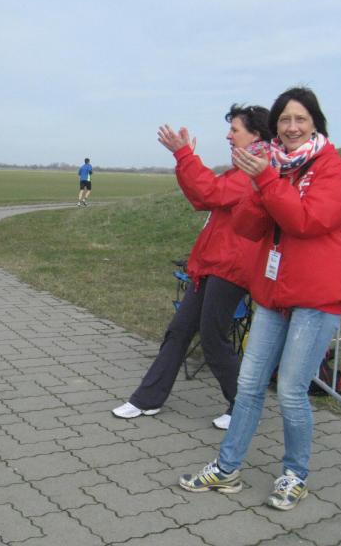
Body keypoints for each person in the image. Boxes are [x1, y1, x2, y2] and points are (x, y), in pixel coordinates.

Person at [179, 87, 341, 512]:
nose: (292, 127)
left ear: (315, 123)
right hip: (275, 294)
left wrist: (265, 180)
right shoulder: (273, 167)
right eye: (284, 120)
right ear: (275, 127)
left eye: (300, 119)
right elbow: (248, 227)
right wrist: (257, 185)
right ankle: (227, 469)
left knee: (292, 392)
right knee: (248, 385)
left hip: (316, 296)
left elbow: (304, 221)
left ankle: (295, 475)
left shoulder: (330, 168)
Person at [112, 105, 271, 429]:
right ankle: (147, 399)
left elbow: (210, 192)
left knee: (213, 339)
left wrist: (184, 155)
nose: (228, 136)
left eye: (235, 130)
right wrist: (184, 159)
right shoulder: (240, 169)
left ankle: (244, 407)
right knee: (180, 330)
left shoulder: (257, 171)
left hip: (231, 267)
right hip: (212, 264)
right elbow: (202, 198)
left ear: (256, 135)